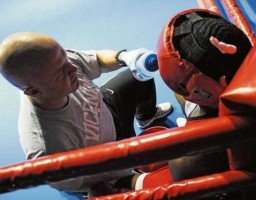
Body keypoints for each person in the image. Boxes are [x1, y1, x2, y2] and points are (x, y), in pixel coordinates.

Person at [0, 32, 173, 194]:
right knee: (166, 182)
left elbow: (96, 59)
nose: (73, 68)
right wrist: (123, 176)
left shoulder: (56, 62)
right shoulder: (46, 149)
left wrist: (124, 57)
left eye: (65, 57)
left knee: (140, 75)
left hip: (104, 112)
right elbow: (79, 183)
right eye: (61, 71)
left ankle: (146, 118)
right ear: (34, 92)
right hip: (103, 163)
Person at [130, 8, 252, 189]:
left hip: (212, 159)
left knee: (160, 175)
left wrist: (129, 182)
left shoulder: (191, 161)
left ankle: (130, 182)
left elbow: (183, 172)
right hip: (219, 102)